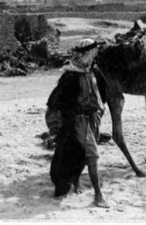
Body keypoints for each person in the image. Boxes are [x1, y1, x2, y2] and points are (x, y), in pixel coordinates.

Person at [46, 38, 109, 208]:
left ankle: (76, 182)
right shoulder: (72, 75)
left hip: (93, 119)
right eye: (94, 51)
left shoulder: (93, 70)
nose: (96, 54)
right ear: (88, 53)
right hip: (79, 121)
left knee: (82, 153)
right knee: (93, 155)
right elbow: (57, 101)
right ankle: (98, 195)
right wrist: (58, 126)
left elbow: (101, 92)